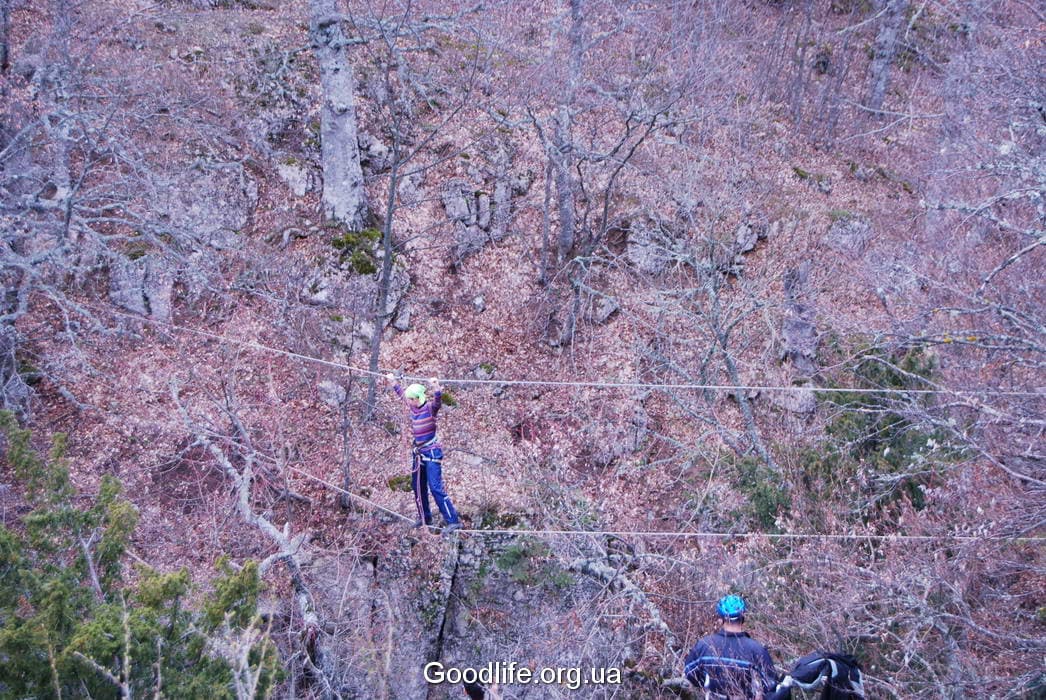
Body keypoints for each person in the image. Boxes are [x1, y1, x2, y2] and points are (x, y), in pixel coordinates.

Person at [386, 374, 462, 535]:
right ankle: (425, 517)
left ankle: (453, 520)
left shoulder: (429, 409)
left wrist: (436, 387)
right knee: (417, 486)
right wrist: (393, 382)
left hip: (432, 452)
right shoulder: (413, 407)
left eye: (411, 399)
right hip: (419, 453)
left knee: (435, 487)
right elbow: (402, 395)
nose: (409, 401)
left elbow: (438, 402)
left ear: (417, 398)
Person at [684, 595, 778, 700]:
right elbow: (771, 686)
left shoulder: (704, 645)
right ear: (743, 617)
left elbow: (690, 675)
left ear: (721, 619)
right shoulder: (757, 650)